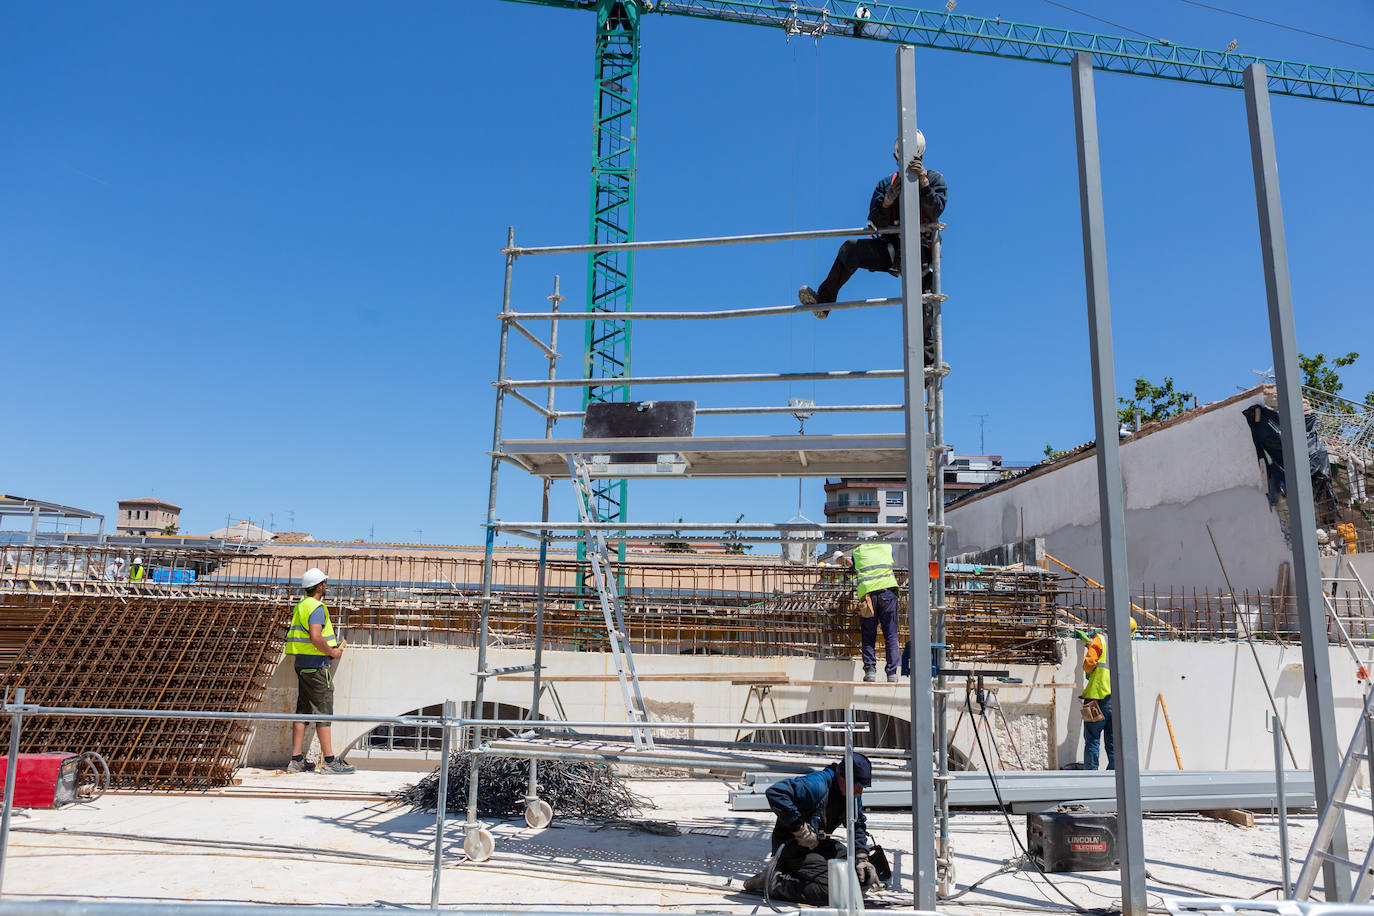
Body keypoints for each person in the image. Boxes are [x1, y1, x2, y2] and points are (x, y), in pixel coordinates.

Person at [799, 132, 947, 323]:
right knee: (850, 249)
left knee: (926, 312)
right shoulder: (887, 185)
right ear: (896, 157)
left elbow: (936, 211)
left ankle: (928, 352)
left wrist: (924, 185)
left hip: (922, 255)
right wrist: (886, 203)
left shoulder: (934, 180)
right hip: (891, 251)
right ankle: (824, 303)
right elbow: (875, 224)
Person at [742, 754, 880, 903]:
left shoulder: (852, 795)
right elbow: (776, 793)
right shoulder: (816, 785)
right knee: (834, 891)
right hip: (794, 848)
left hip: (818, 845)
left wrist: (861, 857)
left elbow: (857, 823)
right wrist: (799, 829)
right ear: (843, 777)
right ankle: (773, 881)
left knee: (862, 878)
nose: (860, 791)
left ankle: (791, 873)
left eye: (863, 787)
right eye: (857, 785)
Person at [286, 567, 355, 775]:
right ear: (319, 586)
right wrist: (333, 653)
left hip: (301, 664)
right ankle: (329, 761)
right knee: (323, 712)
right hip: (316, 666)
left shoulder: (301, 606)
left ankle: (296, 760)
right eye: (324, 582)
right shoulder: (317, 607)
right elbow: (316, 636)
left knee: (302, 712)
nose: (326, 585)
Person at [832, 532, 901, 683]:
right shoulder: (887, 547)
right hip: (887, 594)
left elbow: (854, 566)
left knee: (869, 635)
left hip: (868, 597)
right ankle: (892, 673)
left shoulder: (858, 552)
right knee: (890, 635)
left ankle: (870, 671)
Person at [1073, 617, 1136, 770]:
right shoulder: (1128, 652)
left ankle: (1091, 775)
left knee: (1092, 739)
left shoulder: (1101, 639)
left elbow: (1089, 664)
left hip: (1095, 700)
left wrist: (1090, 671)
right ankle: (1113, 777)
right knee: (1113, 742)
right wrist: (1090, 644)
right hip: (1116, 703)